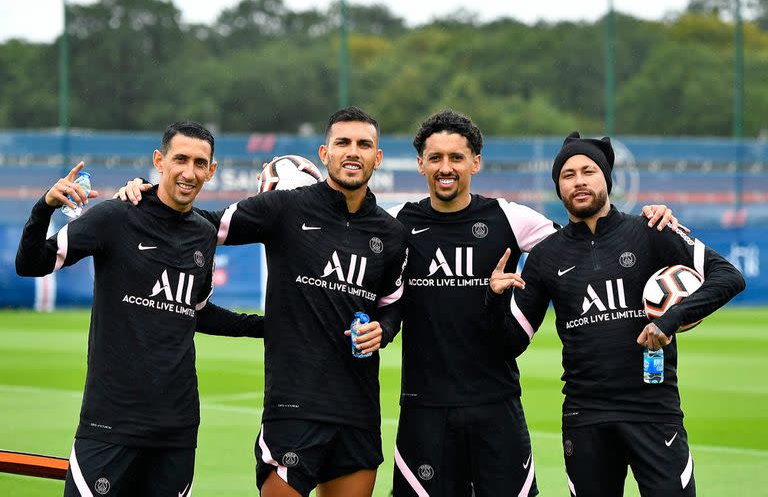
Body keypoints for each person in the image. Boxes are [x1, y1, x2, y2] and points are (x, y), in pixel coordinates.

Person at [117, 107, 409, 497]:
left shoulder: (390, 233)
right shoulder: (285, 207)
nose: (352, 152)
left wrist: (384, 330)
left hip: (358, 413)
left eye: (364, 144)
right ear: (325, 154)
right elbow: (200, 221)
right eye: (343, 143)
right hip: (294, 410)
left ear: (378, 156)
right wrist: (148, 193)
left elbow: (392, 305)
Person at [386, 111, 681, 497]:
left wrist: (653, 221)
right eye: (436, 157)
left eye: (456, 157)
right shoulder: (394, 225)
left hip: (497, 405)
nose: (446, 167)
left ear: (475, 162)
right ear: (420, 163)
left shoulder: (510, 218)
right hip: (423, 408)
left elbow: (583, 246)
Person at [487, 132, 745, 496]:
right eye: (568, 174)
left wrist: (669, 320)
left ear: (606, 179)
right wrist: (494, 298)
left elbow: (728, 276)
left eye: (588, 171)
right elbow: (509, 344)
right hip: (585, 417)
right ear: (559, 187)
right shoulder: (546, 255)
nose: (579, 181)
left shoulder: (651, 230)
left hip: (654, 411)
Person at [15, 121, 264, 496]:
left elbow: (195, 313)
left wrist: (269, 326)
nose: (189, 172)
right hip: (110, 423)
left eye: (200, 163)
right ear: (159, 161)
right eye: (180, 159)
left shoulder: (204, 234)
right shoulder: (115, 216)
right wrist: (45, 206)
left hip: (177, 430)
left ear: (211, 171)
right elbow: (30, 263)